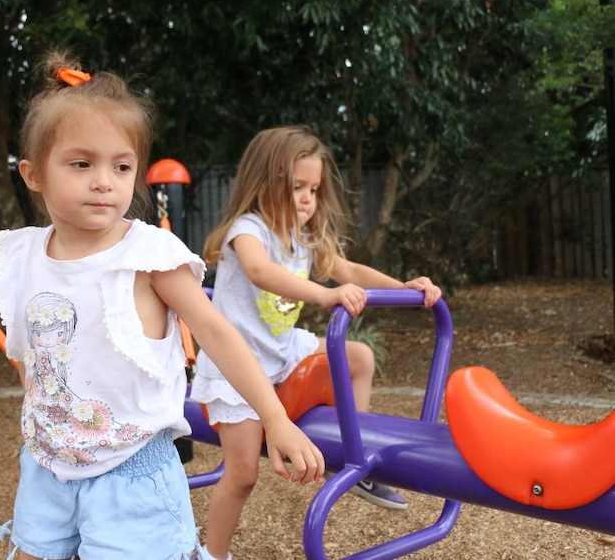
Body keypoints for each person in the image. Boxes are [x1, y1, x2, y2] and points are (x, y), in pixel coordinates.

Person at [0, 52, 325, 560]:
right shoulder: (25, 256)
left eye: (121, 166)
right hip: (47, 467)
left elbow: (217, 333)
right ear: (33, 175)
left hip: (131, 473)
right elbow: (30, 355)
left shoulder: (147, 256)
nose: (105, 180)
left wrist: (274, 418)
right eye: (82, 164)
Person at [189, 126, 442, 560]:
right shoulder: (248, 230)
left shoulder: (305, 240)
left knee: (358, 357)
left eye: (313, 189)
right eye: (296, 187)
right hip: (238, 365)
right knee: (244, 473)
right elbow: (260, 272)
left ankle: (353, 454)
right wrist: (324, 295)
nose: (307, 199)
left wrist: (405, 286)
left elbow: (352, 272)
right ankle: (211, 554)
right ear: (264, 184)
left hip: (284, 354)